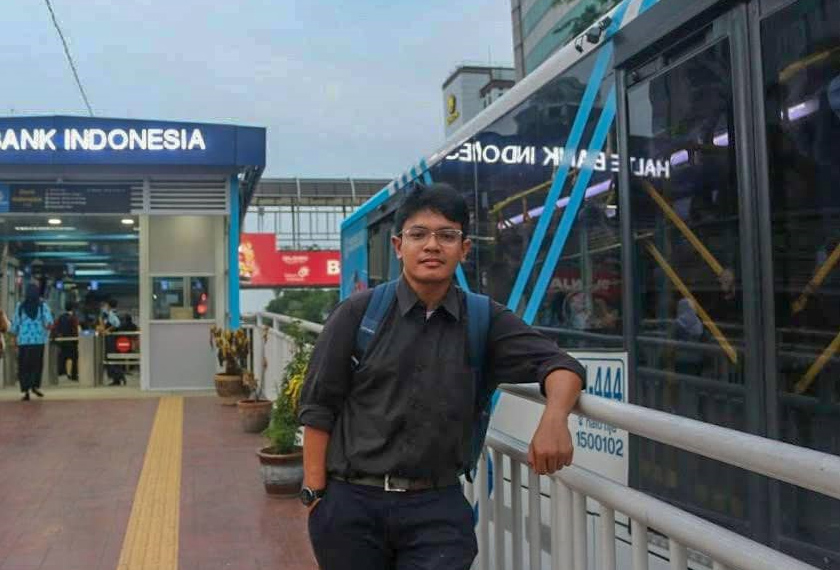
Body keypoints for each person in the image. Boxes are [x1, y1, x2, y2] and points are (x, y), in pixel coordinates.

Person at [298, 184, 586, 570]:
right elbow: (319, 405)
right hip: (352, 504)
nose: (432, 246)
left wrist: (554, 418)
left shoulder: (485, 319)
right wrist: (316, 493)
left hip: (436, 509)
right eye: (418, 234)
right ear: (399, 246)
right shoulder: (358, 313)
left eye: (447, 236)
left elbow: (561, 365)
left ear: (464, 249)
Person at [10, 284, 54, 401]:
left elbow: (15, 324)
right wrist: (45, 329)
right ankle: (35, 386)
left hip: (23, 341)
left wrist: (14, 338)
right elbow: (49, 322)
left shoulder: (20, 306)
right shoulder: (42, 306)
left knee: (24, 366)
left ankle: (26, 391)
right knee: (36, 365)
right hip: (38, 341)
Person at [52, 301, 80, 381]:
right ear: (73, 308)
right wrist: (77, 339)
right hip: (72, 341)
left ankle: (61, 372)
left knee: (63, 357)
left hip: (62, 341)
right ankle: (74, 375)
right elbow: (75, 330)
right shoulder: (73, 318)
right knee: (74, 358)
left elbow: (55, 327)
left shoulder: (61, 317)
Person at [99, 299, 124, 386]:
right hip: (115, 339)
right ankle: (118, 377)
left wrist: (107, 330)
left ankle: (117, 377)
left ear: (109, 305)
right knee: (113, 358)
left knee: (111, 357)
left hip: (111, 339)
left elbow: (117, 324)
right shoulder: (114, 313)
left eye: (106, 305)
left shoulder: (111, 313)